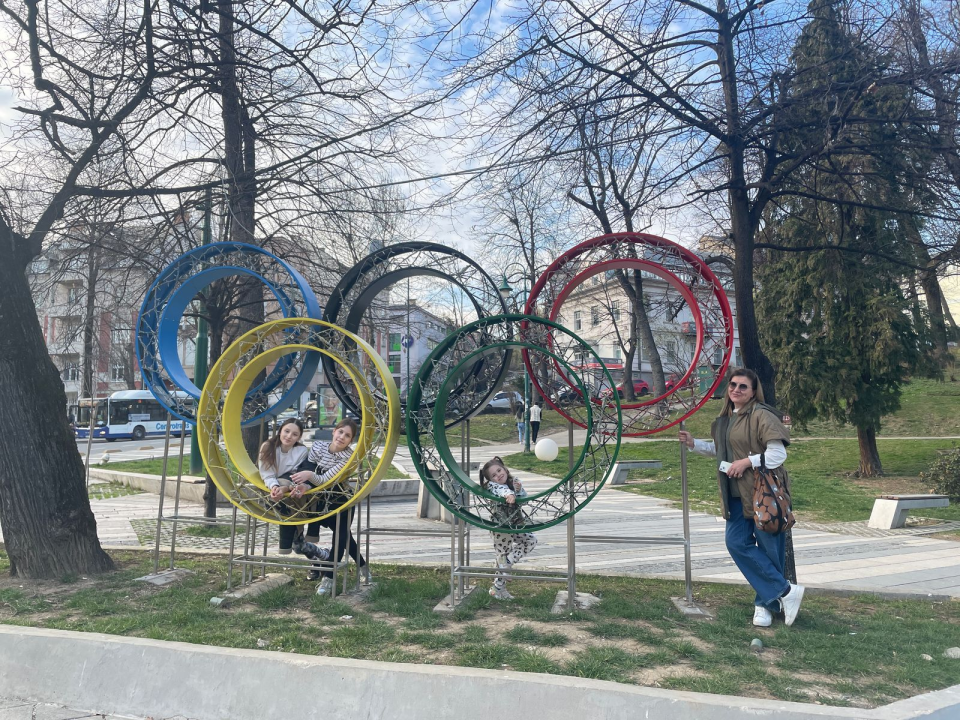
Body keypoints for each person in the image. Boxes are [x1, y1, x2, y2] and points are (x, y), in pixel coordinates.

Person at [677, 368, 804, 628]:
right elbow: (721, 451)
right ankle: (785, 591)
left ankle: (765, 606)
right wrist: (694, 443)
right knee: (736, 543)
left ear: (753, 391)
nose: (736, 389)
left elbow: (778, 454)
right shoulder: (726, 419)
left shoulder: (761, 415)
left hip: (763, 495)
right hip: (735, 495)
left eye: (743, 386)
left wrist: (747, 462)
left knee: (770, 551)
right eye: (733, 385)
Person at [291, 417, 371, 594]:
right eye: (340, 432)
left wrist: (308, 475)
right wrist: (306, 480)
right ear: (334, 431)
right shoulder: (318, 446)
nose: (342, 437)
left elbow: (324, 480)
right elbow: (309, 466)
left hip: (341, 499)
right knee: (346, 537)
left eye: (347, 436)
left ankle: (328, 578)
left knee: (340, 537)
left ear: (351, 440)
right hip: (320, 499)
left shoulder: (349, 457)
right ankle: (363, 567)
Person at [258, 418, 330, 565]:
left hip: (292, 492)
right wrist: (274, 487)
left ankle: (318, 557)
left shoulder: (301, 451)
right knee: (297, 544)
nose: (289, 436)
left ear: (299, 437)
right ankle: (320, 556)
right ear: (280, 431)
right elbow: (267, 474)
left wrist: (285, 488)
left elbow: (296, 475)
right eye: (286, 431)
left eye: (295, 434)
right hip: (272, 492)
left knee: (297, 543)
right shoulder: (268, 447)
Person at [479, 457, 538, 600]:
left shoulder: (513, 482)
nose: (498, 475)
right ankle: (498, 589)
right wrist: (509, 494)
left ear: (505, 469)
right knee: (502, 555)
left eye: (499, 470)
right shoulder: (493, 486)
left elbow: (523, 497)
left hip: (514, 525)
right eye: (494, 475)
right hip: (500, 527)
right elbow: (500, 489)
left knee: (530, 540)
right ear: (490, 480)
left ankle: (508, 562)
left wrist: (518, 490)